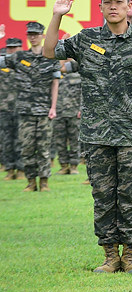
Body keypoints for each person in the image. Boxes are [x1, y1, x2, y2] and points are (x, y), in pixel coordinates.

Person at [44, 0, 132, 274]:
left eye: (118, 1)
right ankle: (110, 255)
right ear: (100, 6)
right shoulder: (85, 39)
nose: (113, 6)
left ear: (128, 6)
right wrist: (57, 15)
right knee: (103, 195)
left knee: (130, 194)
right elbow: (48, 52)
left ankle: (131, 254)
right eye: (107, 1)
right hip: (97, 135)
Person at [0, 22, 59, 192]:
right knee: (27, 147)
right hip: (25, 110)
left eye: (36, 34)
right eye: (30, 34)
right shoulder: (19, 57)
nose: (32, 37)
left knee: (43, 148)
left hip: (44, 110)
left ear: (42, 36)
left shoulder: (51, 57)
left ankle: (44, 181)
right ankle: (31, 181)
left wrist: (53, 107)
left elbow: (55, 84)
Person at [53, 59, 82, 174]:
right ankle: (64, 165)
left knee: (75, 140)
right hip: (59, 112)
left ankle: (74, 165)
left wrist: (81, 108)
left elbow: (83, 93)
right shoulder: (55, 75)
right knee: (59, 140)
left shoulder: (77, 74)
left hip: (74, 112)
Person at [0, 37, 23, 181]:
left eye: (15, 47)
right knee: (6, 140)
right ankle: (9, 168)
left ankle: (21, 169)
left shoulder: (25, 63)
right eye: (10, 47)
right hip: (4, 108)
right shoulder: (2, 65)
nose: (12, 50)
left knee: (21, 140)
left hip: (21, 108)